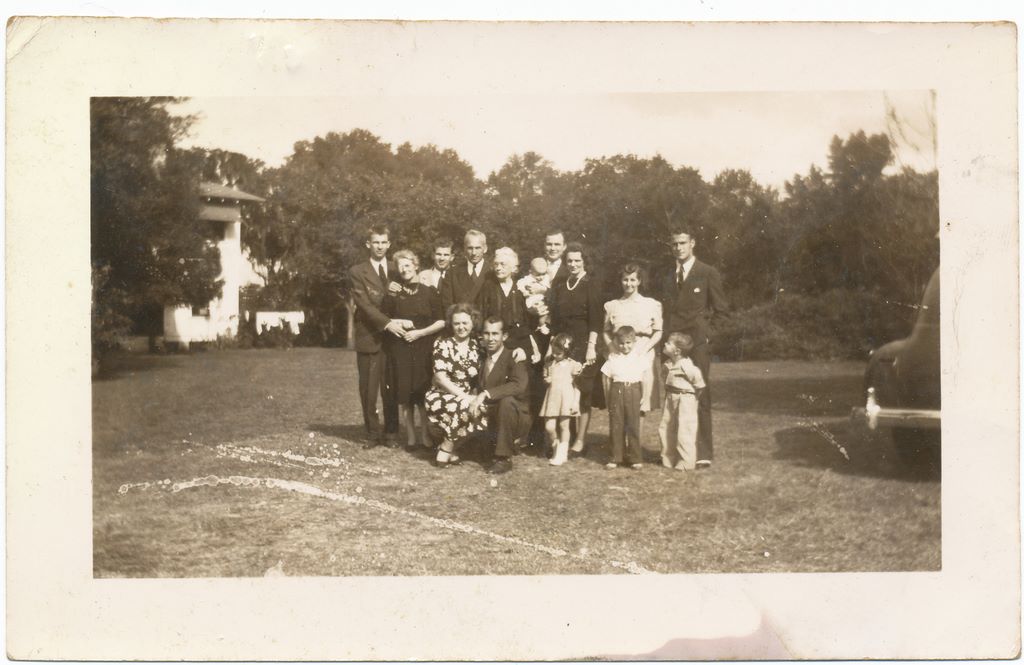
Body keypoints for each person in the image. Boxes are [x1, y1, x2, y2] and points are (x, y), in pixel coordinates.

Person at [657, 226, 729, 469]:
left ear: (692, 243)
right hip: (672, 344)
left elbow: (721, 311)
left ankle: (702, 452)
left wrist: (707, 337)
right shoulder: (668, 276)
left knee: (700, 393)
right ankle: (675, 451)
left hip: (697, 343)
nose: (678, 247)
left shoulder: (707, 272)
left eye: (682, 243)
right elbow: (665, 310)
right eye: (674, 244)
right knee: (674, 395)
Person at [383, 250, 445, 449]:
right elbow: (384, 318)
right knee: (405, 395)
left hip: (423, 348)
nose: (404, 269)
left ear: (416, 266)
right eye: (400, 267)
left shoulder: (430, 292)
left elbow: (441, 321)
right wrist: (400, 321)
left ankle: (425, 435)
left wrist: (420, 333)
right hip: (400, 348)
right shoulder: (394, 293)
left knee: (422, 393)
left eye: (408, 265)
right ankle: (410, 436)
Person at [348, 224, 402, 448]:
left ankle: (391, 433)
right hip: (370, 336)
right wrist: (387, 323)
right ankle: (372, 433)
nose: (380, 246)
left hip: (395, 339)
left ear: (389, 244)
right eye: (375, 242)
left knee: (391, 388)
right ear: (368, 244)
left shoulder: (397, 268)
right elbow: (365, 305)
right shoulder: (357, 271)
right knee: (369, 390)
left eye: (383, 242)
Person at [547, 242, 603, 454]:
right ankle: (565, 439)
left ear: (584, 261)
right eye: (569, 260)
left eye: (577, 260)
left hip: (584, 344)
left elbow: (596, 320)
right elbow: (555, 319)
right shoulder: (561, 284)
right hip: (564, 346)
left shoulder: (591, 284)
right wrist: (553, 346)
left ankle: (580, 440)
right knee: (564, 390)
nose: (573, 264)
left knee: (582, 392)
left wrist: (591, 347)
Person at [424, 304, 487, 467]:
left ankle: (448, 447)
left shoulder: (477, 345)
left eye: (465, 323)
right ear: (451, 325)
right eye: (456, 323)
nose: (461, 327)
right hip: (441, 395)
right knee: (464, 406)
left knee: (483, 409)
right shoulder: (443, 343)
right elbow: (440, 378)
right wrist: (466, 397)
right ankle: (447, 449)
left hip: (465, 396)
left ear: (473, 323)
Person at [470, 317, 532, 475]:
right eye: (487, 333)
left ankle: (504, 458)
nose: (490, 338)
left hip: (514, 415)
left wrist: (486, 394)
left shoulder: (514, 356)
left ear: (504, 336)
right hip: (491, 414)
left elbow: (518, 385)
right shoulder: (482, 358)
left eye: (495, 334)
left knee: (506, 401)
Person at [603, 263, 663, 415]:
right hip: (619, 350)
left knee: (640, 402)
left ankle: (637, 429)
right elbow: (605, 331)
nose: (628, 283)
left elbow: (658, 331)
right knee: (618, 399)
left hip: (642, 349)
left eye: (632, 280)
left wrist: (645, 350)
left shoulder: (651, 304)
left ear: (639, 281)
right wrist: (612, 348)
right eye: (625, 280)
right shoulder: (612, 305)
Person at [475, 247, 539, 362]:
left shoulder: (521, 286)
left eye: (503, 264)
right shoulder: (488, 286)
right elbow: (480, 315)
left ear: (513, 267)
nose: (498, 268)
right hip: (495, 342)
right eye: (496, 264)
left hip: (520, 342)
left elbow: (528, 321)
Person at [658, 333, 706, 471]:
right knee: (666, 427)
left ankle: (686, 461)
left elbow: (699, 385)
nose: (665, 344)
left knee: (685, 430)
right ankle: (668, 458)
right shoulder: (667, 364)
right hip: (670, 398)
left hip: (685, 399)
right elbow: (665, 379)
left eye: (668, 343)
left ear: (677, 351)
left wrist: (691, 399)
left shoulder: (687, 366)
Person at [601, 326, 645, 470]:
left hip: (633, 390)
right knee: (616, 424)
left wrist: (644, 396)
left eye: (628, 343)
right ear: (616, 342)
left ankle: (635, 458)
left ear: (634, 342)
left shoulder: (639, 358)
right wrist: (608, 397)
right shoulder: (613, 358)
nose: (625, 346)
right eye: (621, 343)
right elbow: (606, 378)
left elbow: (644, 379)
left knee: (633, 424)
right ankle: (615, 457)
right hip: (617, 390)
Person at [538, 333, 583, 466]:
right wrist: (547, 380)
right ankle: (556, 446)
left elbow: (577, 386)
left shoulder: (572, 365)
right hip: (552, 398)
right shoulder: (549, 364)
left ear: (567, 352)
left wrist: (575, 402)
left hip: (566, 398)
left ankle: (562, 453)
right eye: (554, 352)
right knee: (549, 426)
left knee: (564, 426)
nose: (555, 355)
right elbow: (545, 380)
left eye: (559, 353)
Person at [439, 229, 490, 312]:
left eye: (478, 248)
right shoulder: (452, 273)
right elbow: (447, 306)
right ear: (464, 248)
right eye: (470, 248)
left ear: (485, 248)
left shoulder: (492, 272)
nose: (474, 253)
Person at [517, 256, 551, 335]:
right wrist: (525, 291)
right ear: (530, 271)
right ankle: (539, 326)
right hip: (531, 300)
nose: (541, 277)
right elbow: (520, 284)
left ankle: (541, 325)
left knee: (544, 312)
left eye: (543, 274)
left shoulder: (546, 278)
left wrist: (543, 289)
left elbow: (548, 288)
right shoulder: (527, 279)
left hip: (541, 299)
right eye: (538, 275)